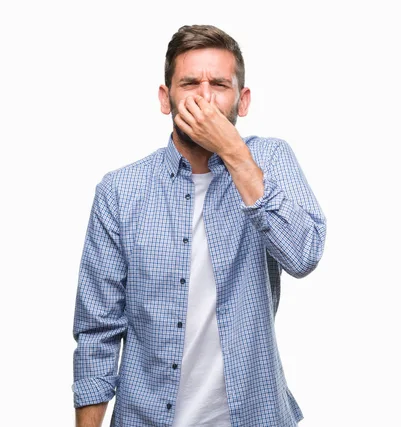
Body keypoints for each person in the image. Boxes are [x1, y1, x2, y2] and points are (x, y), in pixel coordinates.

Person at [72, 24, 327, 427]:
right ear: (164, 98)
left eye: (220, 85)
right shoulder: (119, 191)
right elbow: (97, 331)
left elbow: (304, 254)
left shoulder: (271, 161)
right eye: (190, 82)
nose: (205, 97)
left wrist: (233, 151)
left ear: (242, 101)